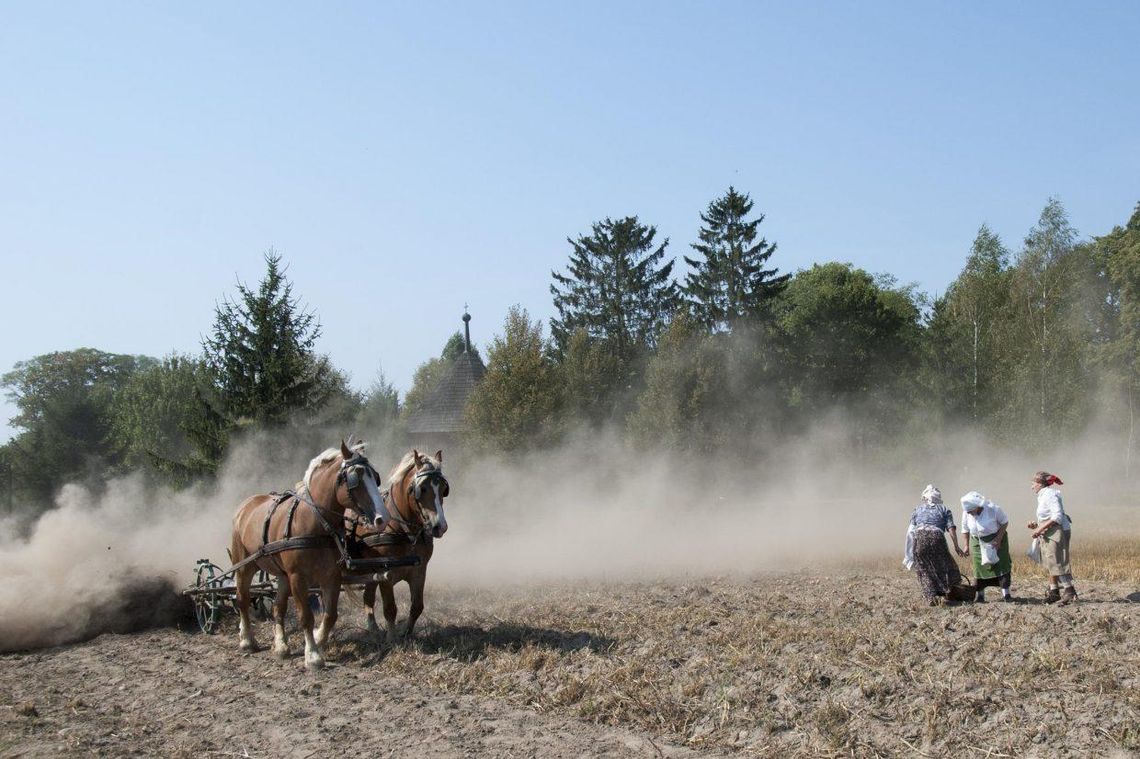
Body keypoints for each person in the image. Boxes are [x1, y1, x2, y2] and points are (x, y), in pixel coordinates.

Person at [907, 485, 966, 605]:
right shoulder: (944, 509)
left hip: (920, 538)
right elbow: (951, 529)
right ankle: (949, 593)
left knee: (924, 569)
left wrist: (908, 554)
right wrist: (956, 546)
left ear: (925, 498)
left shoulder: (917, 509)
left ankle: (931, 597)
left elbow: (910, 532)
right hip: (937, 538)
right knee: (946, 565)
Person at [1028, 471, 1077, 605]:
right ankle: (1054, 592)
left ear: (1040, 484)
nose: (1032, 487)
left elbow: (1057, 517)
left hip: (1057, 531)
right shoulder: (1043, 495)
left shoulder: (1049, 495)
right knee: (1050, 561)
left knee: (1057, 561)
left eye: (1033, 484)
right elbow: (1048, 517)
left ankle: (1069, 591)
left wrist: (1039, 529)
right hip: (1049, 531)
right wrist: (1037, 525)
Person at [960, 491, 1013, 602]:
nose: (969, 513)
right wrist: (966, 546)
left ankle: (1006, 594)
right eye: (967, 511)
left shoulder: (993, 509)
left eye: (971, 511)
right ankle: (980, 595)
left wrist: (998, 539)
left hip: (996, 539)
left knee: (1001, 566)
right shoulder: (966, 513)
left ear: (977, 507)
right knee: (979, 568)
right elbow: (965, 529)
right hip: (977, 542)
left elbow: (1005, 522)